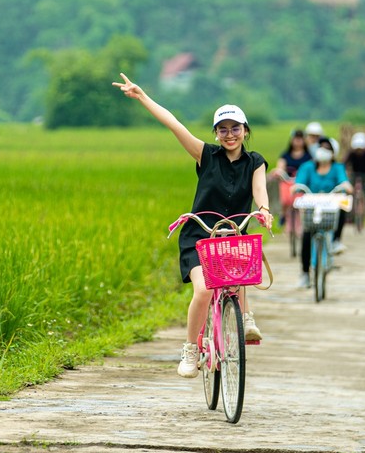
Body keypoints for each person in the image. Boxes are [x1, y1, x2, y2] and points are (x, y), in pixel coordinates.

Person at [113, 73, 272, 378]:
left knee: (238, 276)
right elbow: (174, 124)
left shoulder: (256, 162)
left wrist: (264, 211)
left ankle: (245, 317)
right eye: (223, 130)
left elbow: (260, 192)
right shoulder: (206, 155)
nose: (229, 135)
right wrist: (142, 96)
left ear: (245, 131)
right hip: (200, 237)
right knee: (203, 290)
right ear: (216, 134)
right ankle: (190, 349)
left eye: (235, 129)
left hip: (233, 236)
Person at [294, 137, 350, 287]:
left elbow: (344, 182)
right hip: (312, 208)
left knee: (343, 204)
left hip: (330, 207)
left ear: (333, 153)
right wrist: (296, 187)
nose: (323, 151)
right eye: (321, 147)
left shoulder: (337, 167)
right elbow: (299, 182)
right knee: (306, 236)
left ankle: (336, 240)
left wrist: (345, 185)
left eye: (327, 148)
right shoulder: (308, 167)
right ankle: (305, 273)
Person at [274, 129, 311, 233]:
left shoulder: (308, 156)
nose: (298, 141)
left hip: (301, 183)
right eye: (296, 139)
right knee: (285, 200)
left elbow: (311, 168)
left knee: (301, 204)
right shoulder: (286, 155)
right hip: (288, 182)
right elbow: (280, 166)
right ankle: (284, 215)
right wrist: (279, 172)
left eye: (300, 139)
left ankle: (302, 224)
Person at [343, 132, 365, 213]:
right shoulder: (351, 153)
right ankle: (347, 208)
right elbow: (344, 164)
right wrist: (344, 173)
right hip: (354, 174)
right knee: (349, 189)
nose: (359, 151)